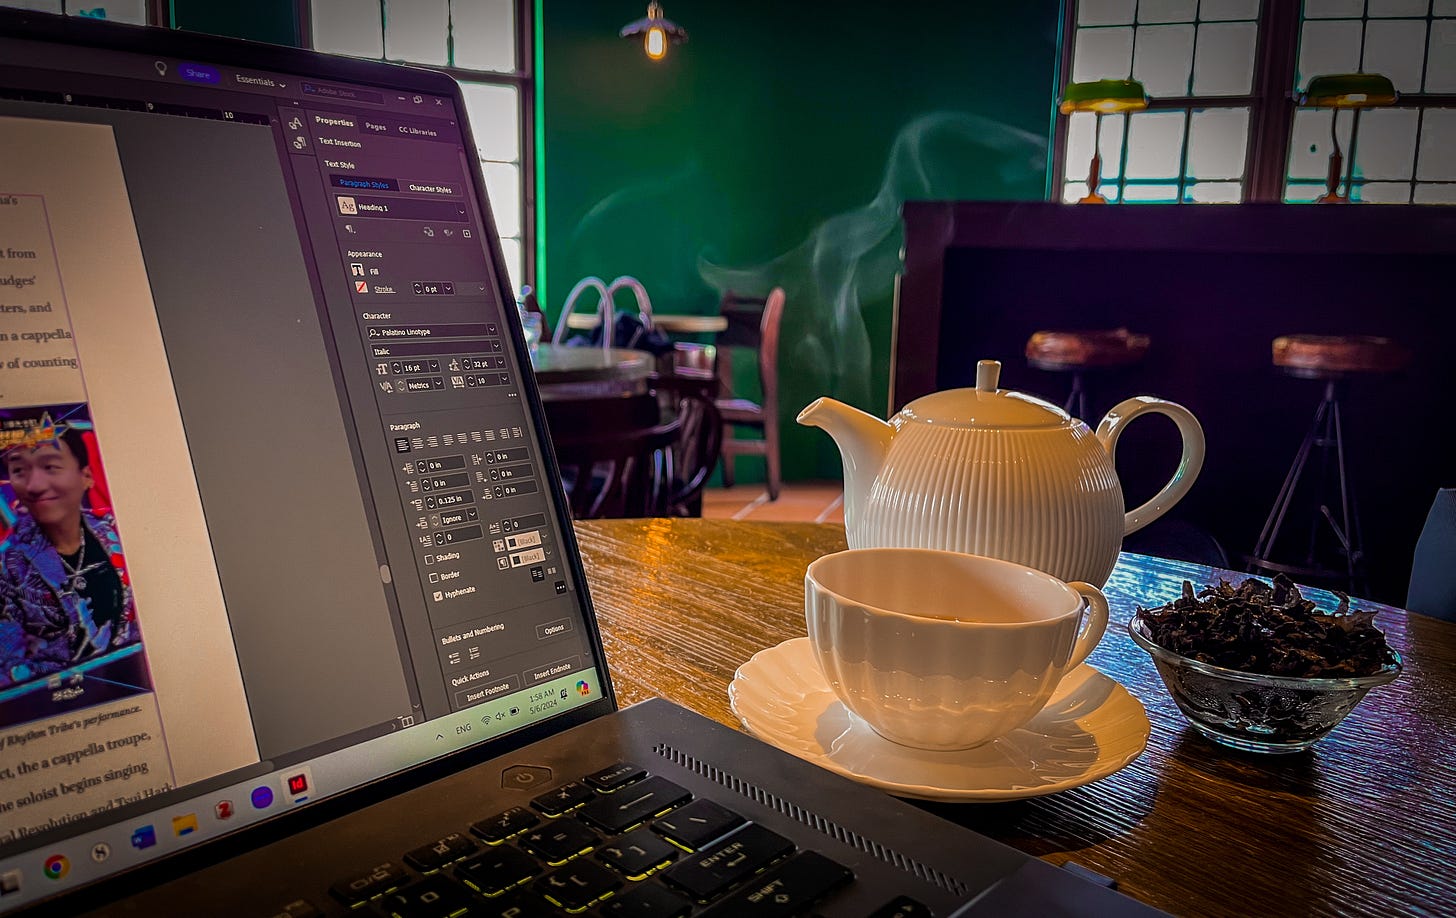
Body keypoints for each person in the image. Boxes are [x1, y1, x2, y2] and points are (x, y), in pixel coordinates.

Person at [0, 423, 136, 688]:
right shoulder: (8, 567)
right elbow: (8, 673)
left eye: (50, 466)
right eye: (19, 471)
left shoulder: (120, 533)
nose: (34, 485)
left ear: (86, 476)